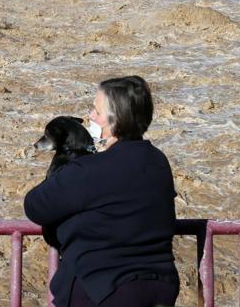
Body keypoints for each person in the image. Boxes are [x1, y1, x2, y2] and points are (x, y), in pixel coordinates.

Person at [24, 76, 179, 307]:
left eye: (96, 111)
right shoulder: (158, 162)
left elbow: (35, 205)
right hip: (161, 287)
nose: (90, 116)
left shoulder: (90, 170)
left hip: (105, 289)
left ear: (114, 120)